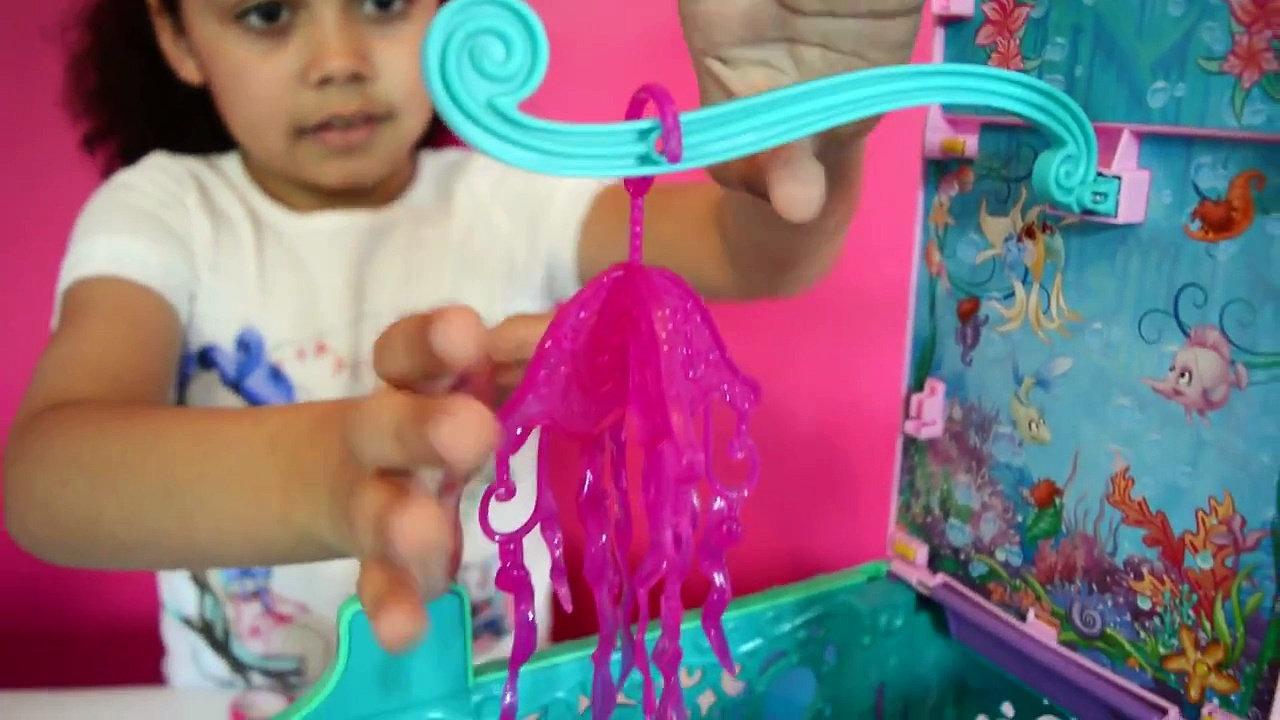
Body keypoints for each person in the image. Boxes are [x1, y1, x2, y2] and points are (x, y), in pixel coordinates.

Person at [3, 0, 922, 707]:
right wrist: (334, 485)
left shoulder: (507, 198)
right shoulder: (165, 213)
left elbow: (754, 248)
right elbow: (51, 480)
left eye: (384, 3)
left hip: (486, 699)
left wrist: (811, 135)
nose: (338, 61)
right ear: (176, 35)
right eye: (268, 14)